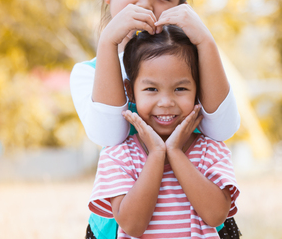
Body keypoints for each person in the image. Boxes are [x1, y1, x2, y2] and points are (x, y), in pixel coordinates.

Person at [69, 0, 241, 237]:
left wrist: (205, 40)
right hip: (121, 225)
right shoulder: (87, 73)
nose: (145, 4)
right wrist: (109, 40)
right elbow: (110, 134)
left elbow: (223, 128)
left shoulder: (196, 64)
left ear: (181, 9)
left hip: (200, 221)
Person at [88, 26, 240, 238]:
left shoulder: (211, 150)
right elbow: (132, 225)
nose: (166, 102)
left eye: (180, 89)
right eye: (151, 89)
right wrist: (157, 154)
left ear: (198, 91)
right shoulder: (119, 155)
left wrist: (175, 152)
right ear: (130, 91)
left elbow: (216, 216)